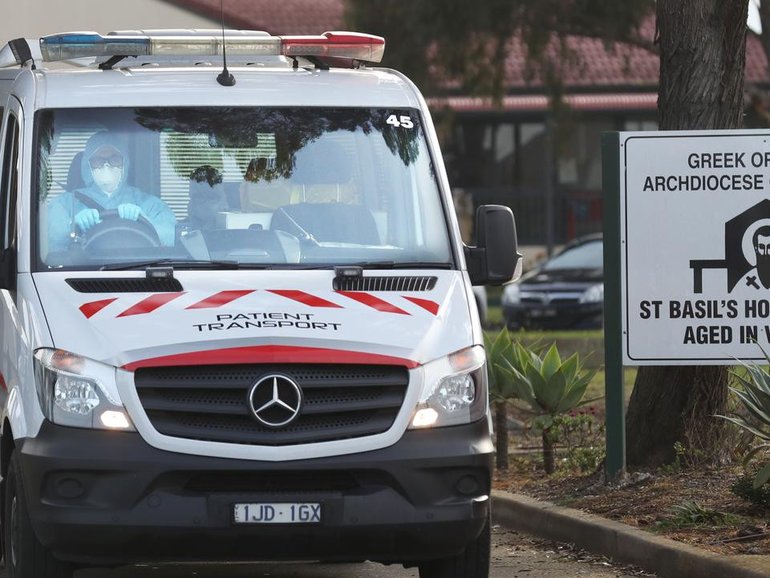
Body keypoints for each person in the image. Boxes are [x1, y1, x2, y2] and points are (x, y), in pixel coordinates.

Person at [47, 131, 176, 252]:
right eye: (98, 160)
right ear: (87, 164)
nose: (106, 166)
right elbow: (47, 242)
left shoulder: (150, 204)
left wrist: (145, 221)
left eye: (114, 158)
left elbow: (169, 239)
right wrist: (71, 226)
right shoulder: (64, 204)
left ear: (125, 162)